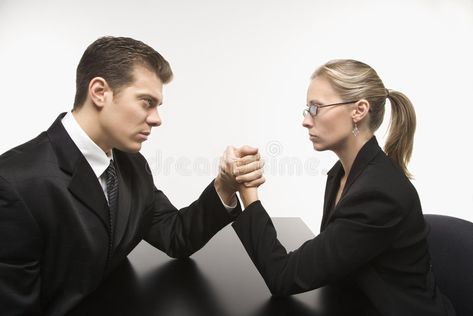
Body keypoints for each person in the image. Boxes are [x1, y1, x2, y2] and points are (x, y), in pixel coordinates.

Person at [0, 36, 263, 315]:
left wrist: (224, 185)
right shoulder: (14, 184)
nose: (157, 118)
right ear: (100, 91)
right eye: (147, 102)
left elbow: (175, 236)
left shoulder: (132, 165)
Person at [227, 59, 456, 315]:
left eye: (316, 108)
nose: (306, 120)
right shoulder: (342, 174)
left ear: (359, 110)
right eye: (307, 109)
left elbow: (283, 277)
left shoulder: (379, 193)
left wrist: (248, 193)